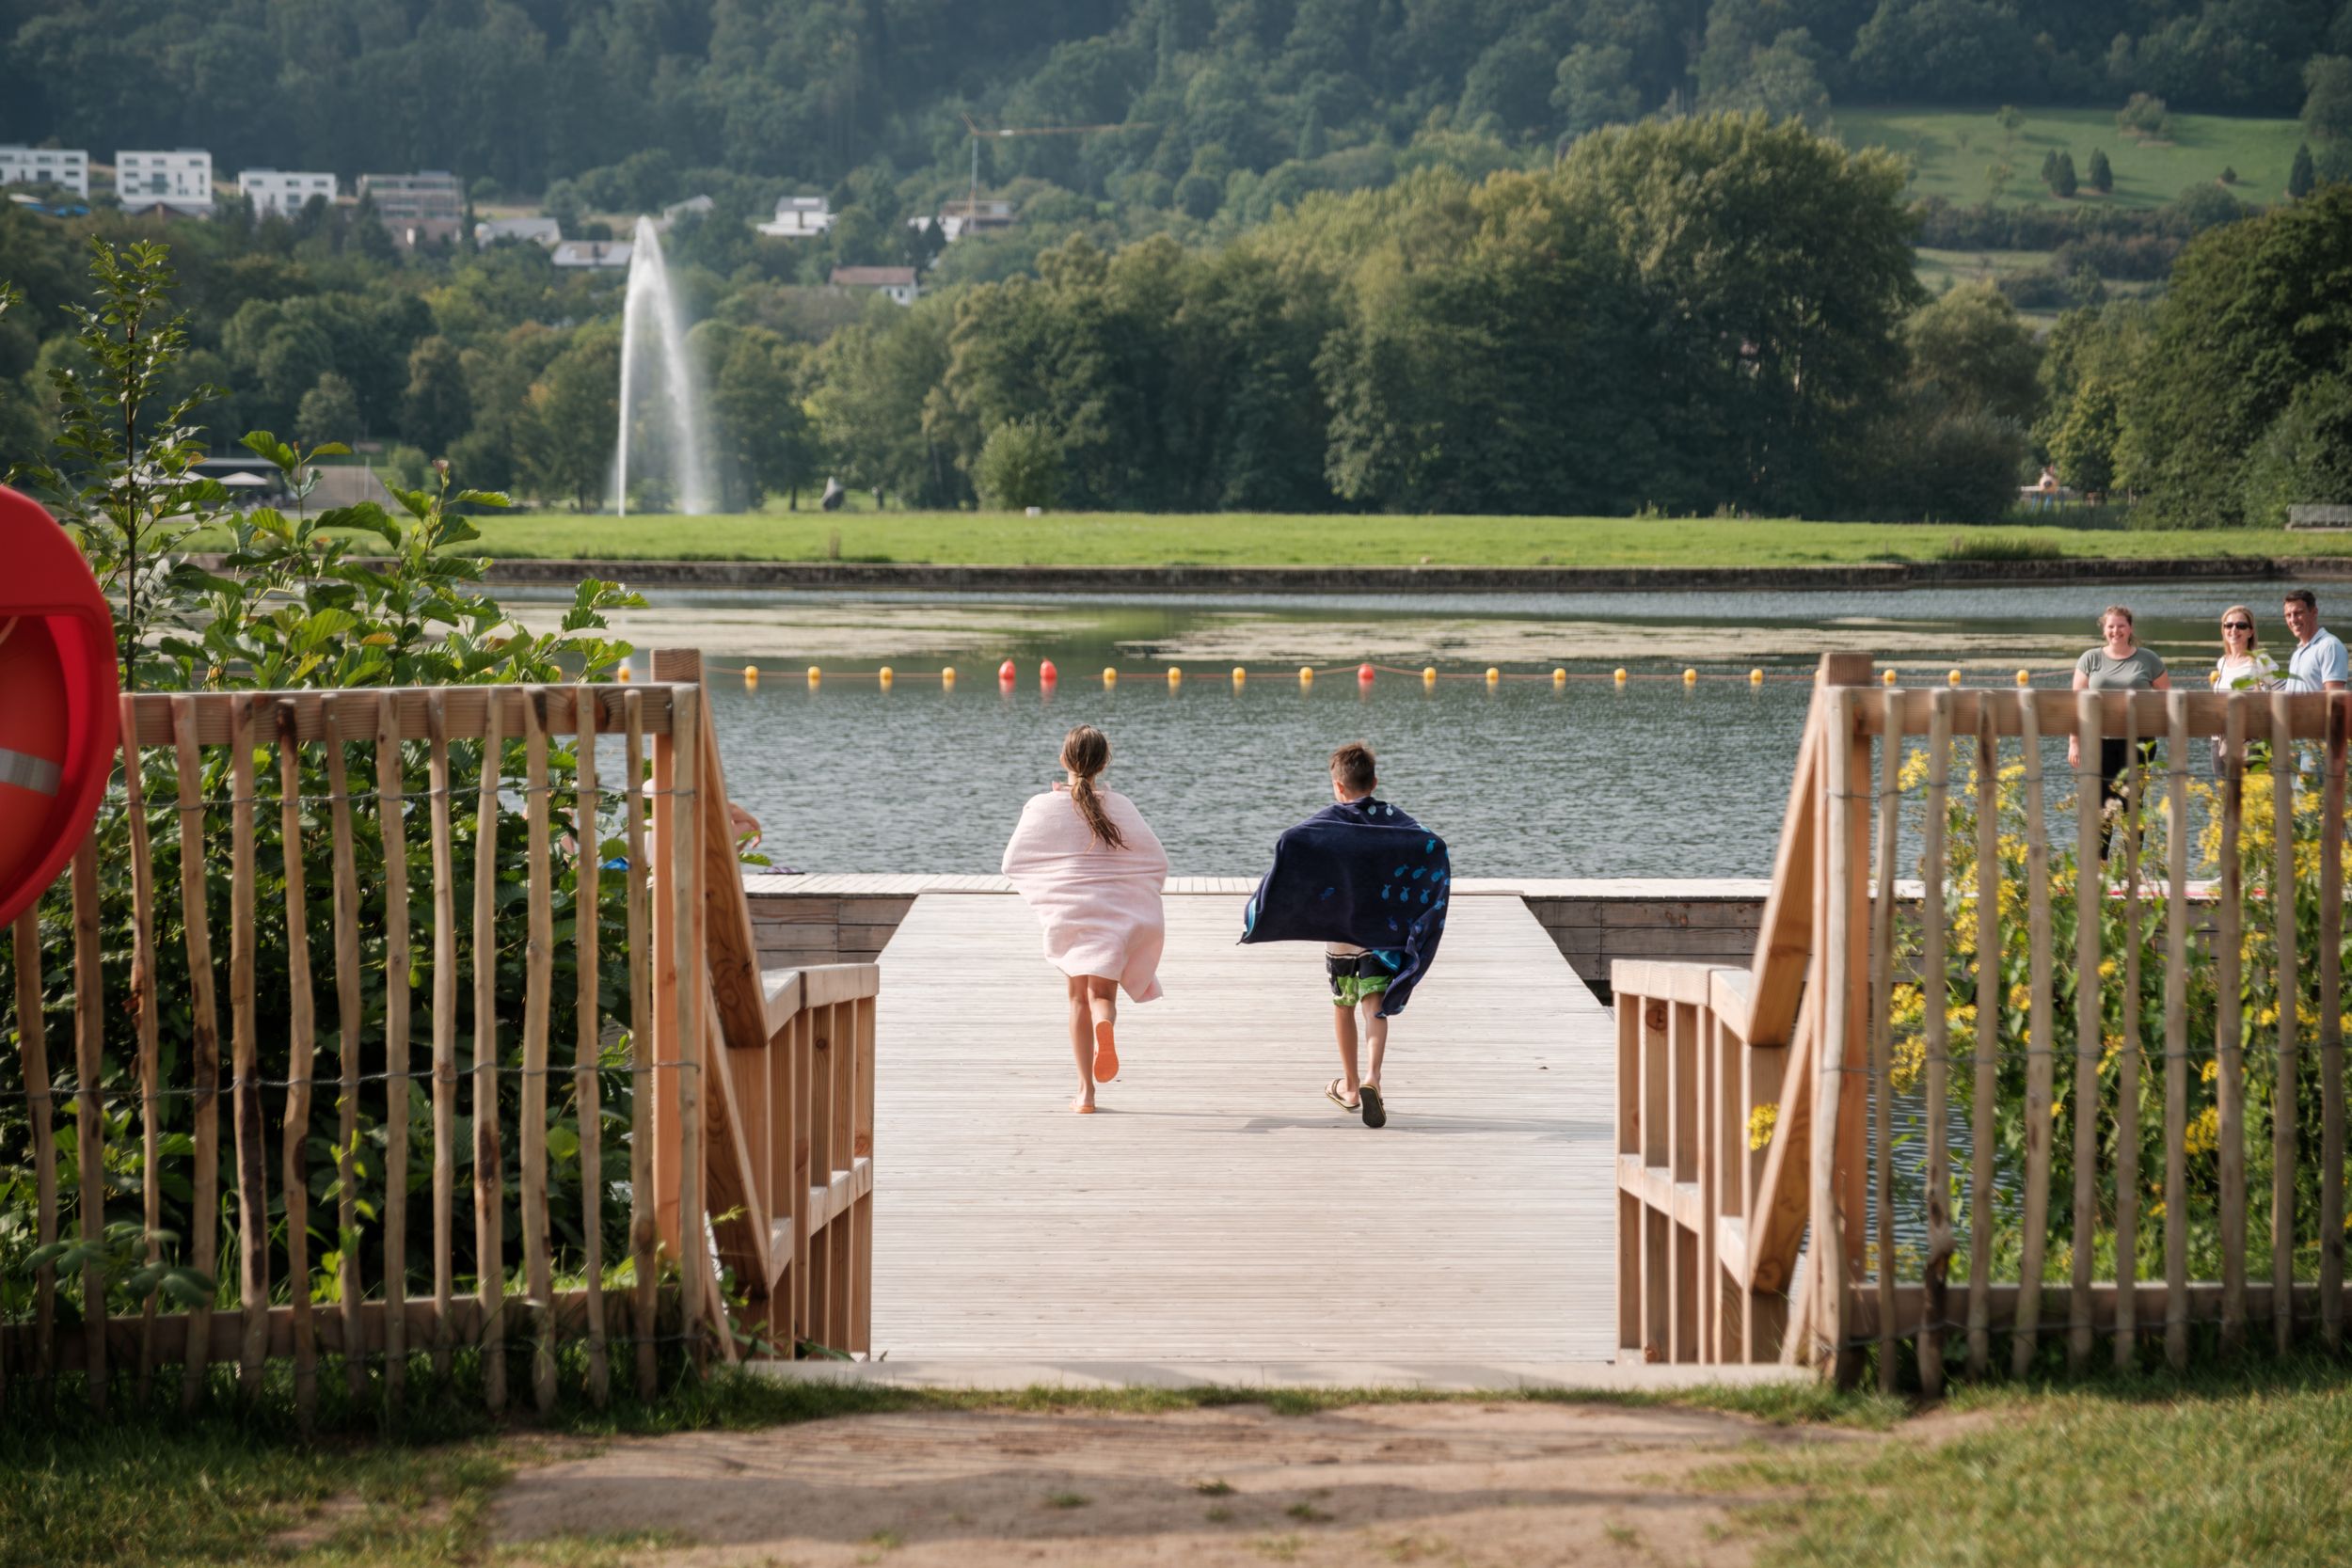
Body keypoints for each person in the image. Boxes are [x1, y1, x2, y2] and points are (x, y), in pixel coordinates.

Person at [1239, 741, 1451, 1131]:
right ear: (1375, 781)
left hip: (1340, 936)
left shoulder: (1327, 823)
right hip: (1381, 937)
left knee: (1343, 1005)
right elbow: (1430, 843)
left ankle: (1350, 1087)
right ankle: (1373, 1077)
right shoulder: (1395, 821)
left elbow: (1292, 839)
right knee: (1376, 1006)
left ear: (1338, 786)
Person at [1000, 724, 1168, 1114]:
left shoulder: (1042, 805)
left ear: (1064, 759)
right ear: (1104, 763)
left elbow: (1013, 862)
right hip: (1116, 916)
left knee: (1077, 998)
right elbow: (1156, 860)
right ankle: (1104, 1025)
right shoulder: (1121, 805)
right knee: (1101, 997)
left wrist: (1050, 888)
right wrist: (1135, 891)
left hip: (1071, 914)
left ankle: (1085, 1094)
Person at [2067, 604, 2170, 823]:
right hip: (2098, 742)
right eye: (2111, 626)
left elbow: (2168, 698)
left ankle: (2133, 856)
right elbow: (2076, 704)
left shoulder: (2148, 659)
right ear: (2104, 629)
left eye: (2121, 626)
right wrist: (2074, 742)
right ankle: (2101, 858)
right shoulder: (2089, 659)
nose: (2116, 631)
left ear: (2130, 628)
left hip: (2139, 743)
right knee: (2100, 805)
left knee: (2132, 805)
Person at [2212, 605, 2279, 768]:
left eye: (2241, 625)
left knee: (2254, 793)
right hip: (2219, 741)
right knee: (2223, 793)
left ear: (2251, 631)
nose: (2234, 629)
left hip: (2250, 741)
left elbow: (2283, 691)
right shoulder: (2222, 662)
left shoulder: (2259, 659)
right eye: (2228, 625)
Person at [2280, 590, 2349, 693]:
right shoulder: (2298, 653)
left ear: (2314, 612)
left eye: (2298, 613)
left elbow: (2336, 700)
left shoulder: (2330, 646)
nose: (2293, 620)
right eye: (2288, 615)